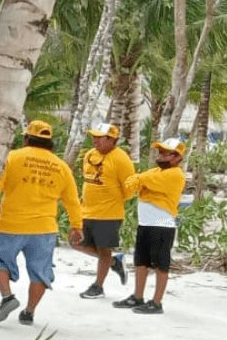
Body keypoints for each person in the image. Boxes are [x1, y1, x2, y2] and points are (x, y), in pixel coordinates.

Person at [0, 121, 84, 325]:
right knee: (40, 271)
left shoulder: (13, 158)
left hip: (11, 225)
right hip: (44, 229)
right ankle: (29, 312)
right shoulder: (61, 167)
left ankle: (7, 297)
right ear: (50, 143)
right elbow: (73, 200)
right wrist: (76, 225)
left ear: (27, 138)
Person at [115, 138, 187, 315]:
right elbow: (137, 182)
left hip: (162, 225)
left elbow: (144, 180)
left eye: (165, 152)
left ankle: (156, 302)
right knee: (141, 261)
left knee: (161, 264)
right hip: (145, 224)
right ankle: (137, 296)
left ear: (177, 157)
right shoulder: (155, 172)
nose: (160, 155)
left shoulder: (175, 174)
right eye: (160, 151)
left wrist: (141, 179)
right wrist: (142, 181)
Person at [70, 123, 133, 298]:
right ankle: (114, 261)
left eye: (99, 136)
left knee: (104, 249)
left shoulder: (121, 159)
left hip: (108, 213)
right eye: (94, 136)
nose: (94, 139)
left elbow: (129, 188)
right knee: (75, 242)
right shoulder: (90, 155)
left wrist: (110, 199)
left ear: (111, 139)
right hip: (86, 210)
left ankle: (98, 286)